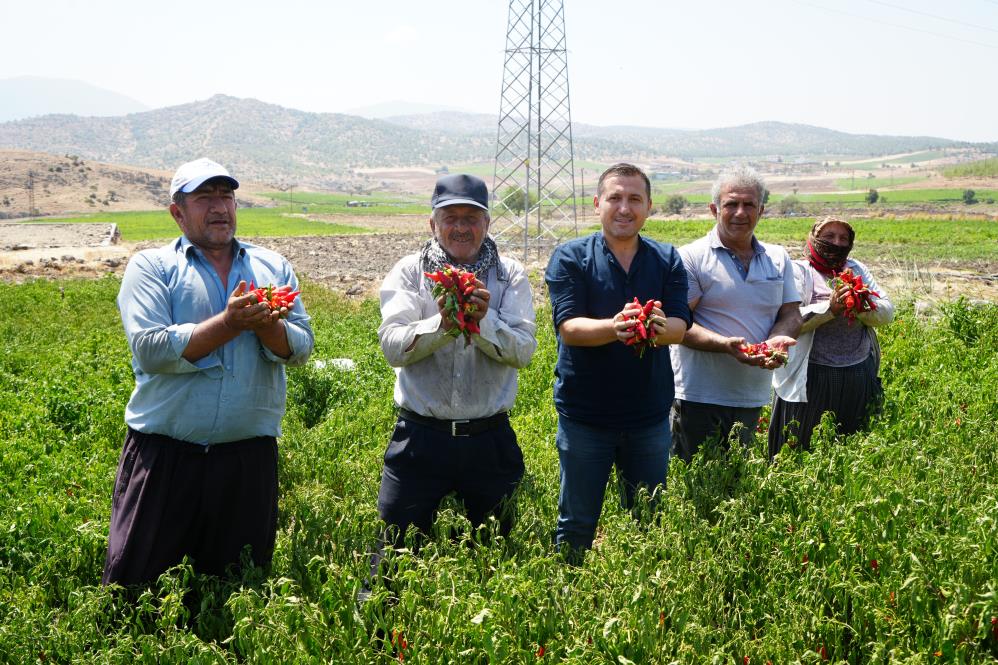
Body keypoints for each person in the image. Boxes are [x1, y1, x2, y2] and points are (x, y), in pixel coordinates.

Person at [103, 158, 314, 586]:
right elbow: (150, 349)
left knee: (237, 591)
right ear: (177, 213)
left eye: (226, 196)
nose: (220, 207)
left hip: (246, 461)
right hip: (165, 457)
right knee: (137, 587)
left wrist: (267, 325)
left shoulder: (272, 267)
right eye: (204, 198)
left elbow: (301, 346)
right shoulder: (152, 268)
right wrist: (230, 324)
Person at [376, 173, 536, 548]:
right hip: (420, 438)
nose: (461, 227)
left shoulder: (508, 275)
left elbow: (524, 350)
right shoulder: (411, 272)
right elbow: (392, 346)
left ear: (487, 224)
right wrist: (443, 324)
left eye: (471, 218)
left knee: (498, 551)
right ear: (433, 224)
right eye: (451, 218)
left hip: (489, 439)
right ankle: (385, 607)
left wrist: (484, 321)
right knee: (394, 552)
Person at [545, 163, 690, 557]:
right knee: (576, 520)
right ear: (597, 204)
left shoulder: (666, 258)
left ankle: (641, 604)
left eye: (634, 199)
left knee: (648, 517)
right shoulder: (571, 257)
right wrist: (617, 326)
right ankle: (569, 593)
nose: (624, 208)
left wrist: (655, 326)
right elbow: (569, 328)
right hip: (585, 416)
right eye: (615, 198)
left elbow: (680, 324)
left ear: (648, 207)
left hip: (649, 415)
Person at [670, 166, 801, 463]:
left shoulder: (778, 257)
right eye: (731, 204)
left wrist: (778, 339)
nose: (740, 212)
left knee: (737, 487)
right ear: (714, 209)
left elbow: (791, 313)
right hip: (698, 396)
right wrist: (726, 345)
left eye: (749, 204)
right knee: (694, 485)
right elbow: (679, 325)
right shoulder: (691, 257)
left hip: (751, 395)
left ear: (762, 210)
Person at [769, 217, 894, 457]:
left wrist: (859, 305)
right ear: (814, 239)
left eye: (843, 238)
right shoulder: (799, 271)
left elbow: (887, 311)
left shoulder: (856, 269)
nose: (836, 243)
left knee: (850, 445)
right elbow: (788, 320)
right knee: (799, 445)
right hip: (812, 373)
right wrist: (831, 308)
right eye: (828, 237)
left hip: (857, 370)